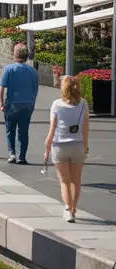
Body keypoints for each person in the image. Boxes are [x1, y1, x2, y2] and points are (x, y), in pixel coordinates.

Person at [44, 75, 90, 222]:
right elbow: (85, 127)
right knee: (76, 180)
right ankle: (74, 209)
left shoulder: (56, 104)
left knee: (64, 181)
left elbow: (52, 129)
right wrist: (85, 145)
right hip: (77, 145)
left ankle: (67, 210)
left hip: (60, 145)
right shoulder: (83, 104)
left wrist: (46, 150)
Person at [0, 43, 39, 164]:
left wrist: (1, 102)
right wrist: (32, 101)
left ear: (15, 54)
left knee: (10, 129)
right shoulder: (32, 71)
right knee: (24, 130)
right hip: (27, 104)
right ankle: (22, 156)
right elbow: (35, 89)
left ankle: (12, 154)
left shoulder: (9, 69)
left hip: (12, 103)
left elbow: (1, 87)